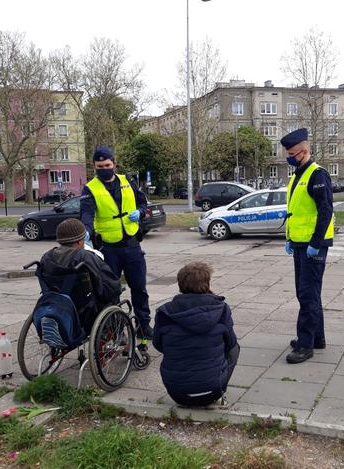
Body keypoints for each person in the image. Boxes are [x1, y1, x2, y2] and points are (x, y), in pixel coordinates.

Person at [80, 145, 153, 338]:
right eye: (99, 166)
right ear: (94, 166)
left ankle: (143, 326)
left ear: (114, 163)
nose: (104, 169)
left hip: (131, 244)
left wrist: (141, 212)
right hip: (108, 248)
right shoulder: (90, 188)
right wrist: (86, 231)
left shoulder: (128, 180)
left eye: (107, 165)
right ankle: (116, 329)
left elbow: (143, 202)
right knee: (110, 292)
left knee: (139, 288)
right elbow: (86, 213)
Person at [280, 128, 335, 364]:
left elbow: (325, 210)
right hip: (300, 244)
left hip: (313, 245)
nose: (289, 157)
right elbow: (298, 211)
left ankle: (305, 345)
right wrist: (291, 239)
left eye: (292, 153)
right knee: (309, 293)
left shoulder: (317, 174)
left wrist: (316, 242)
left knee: (307, 293)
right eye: (288, 154)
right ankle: (317, 337)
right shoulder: (297, 176)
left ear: (304, 151)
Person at [153, 262, 239, 407]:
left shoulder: (165, 312)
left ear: (180, 285)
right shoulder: (221, 309)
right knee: (234, 348)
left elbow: (158, 344)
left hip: (177, 392)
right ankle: (219, 390)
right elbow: (230, 343)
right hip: (213, 390)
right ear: (207, 284)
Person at [38, 218, 122, 332]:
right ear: (79, 241)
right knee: (112, 293)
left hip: (55, 306)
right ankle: (116, 332)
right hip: (85, 313)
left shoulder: (47, 257)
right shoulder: (85, 257)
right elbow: (110, 284)